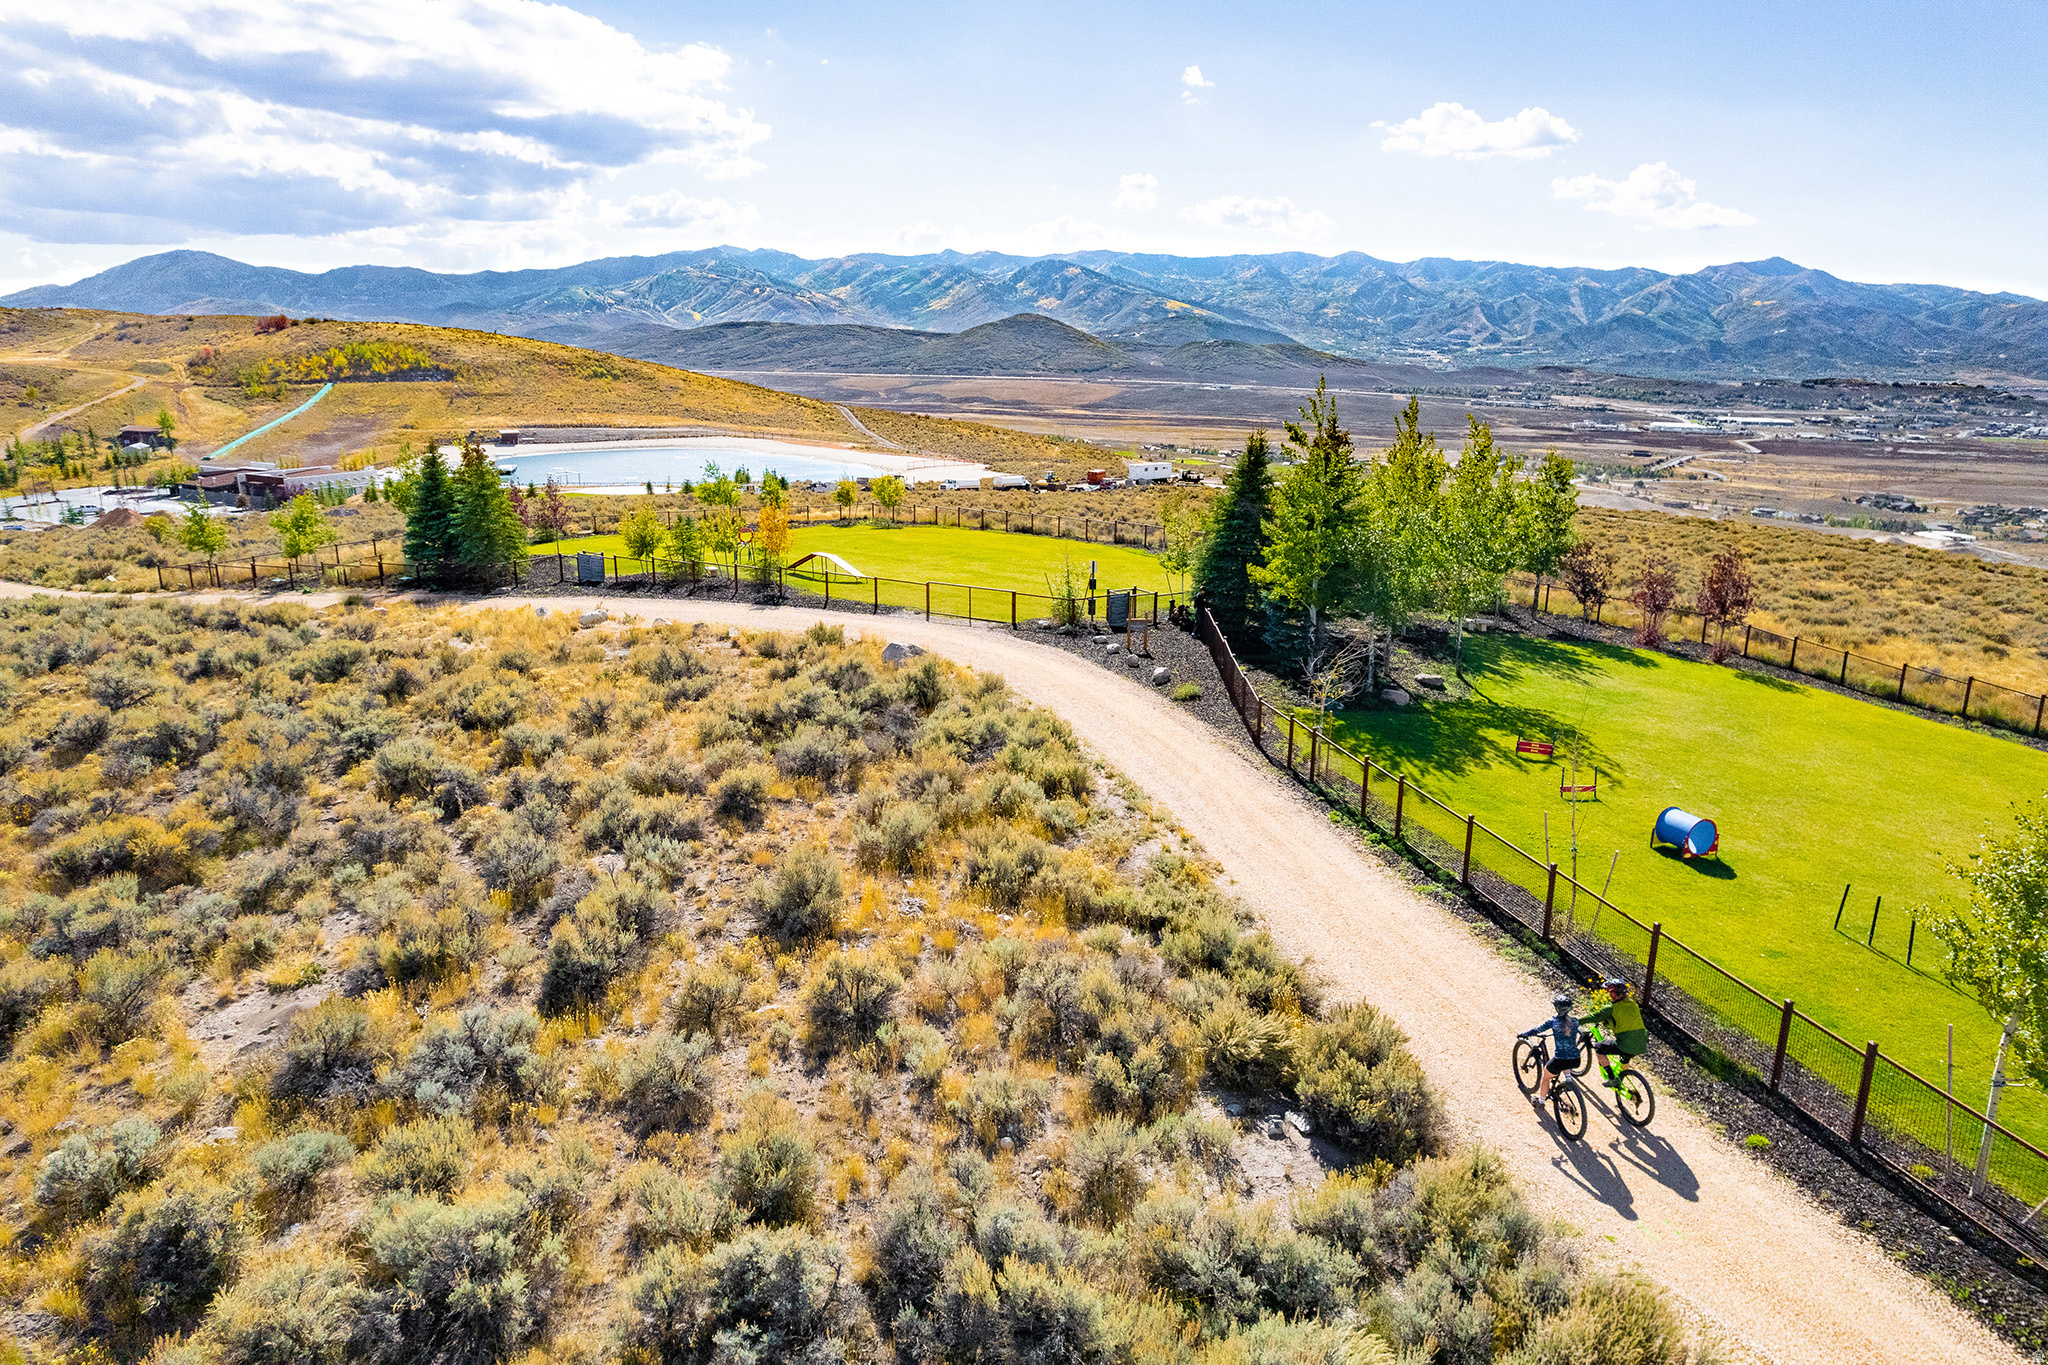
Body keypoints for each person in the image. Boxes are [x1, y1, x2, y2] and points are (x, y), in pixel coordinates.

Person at [1582, 977, 1648, 1087]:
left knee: (1599, 1047)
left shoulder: (1611, 1009)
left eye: (1610, 992)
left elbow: (1593, 1017)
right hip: (1641, 1043)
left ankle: (1612, 1079)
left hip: (1625, 1045)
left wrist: (1574, 1021)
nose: (1609, 994)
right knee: (1625, 1055)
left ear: (1614, 994)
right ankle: (1622, 1078)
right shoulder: (1633, 1004)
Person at [1518, 993, 1581, 1104]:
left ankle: (1541, 1102)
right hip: (1576, 1060)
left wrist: (1525, 1034)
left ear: (1556, 1008)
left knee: (1546, 1077)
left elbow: (1537, 1030)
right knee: (1567, 1057)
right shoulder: (1575, 1021)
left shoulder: (1553, 1022)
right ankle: (1568, 1078)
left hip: (1560, 1060)